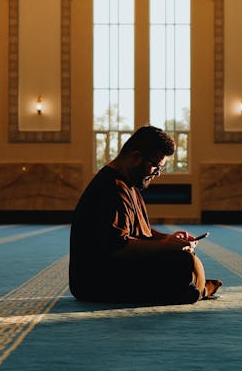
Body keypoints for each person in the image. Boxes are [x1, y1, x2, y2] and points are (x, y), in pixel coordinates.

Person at [69, 125, 222, 304]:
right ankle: (197, 289)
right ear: (136, 157)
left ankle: (195, 288)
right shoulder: (111, 189)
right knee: (181, 262)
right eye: (156, 167)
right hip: (95, 283)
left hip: (113, 272)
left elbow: (141, 231)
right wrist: (166, 245)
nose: (156, 174)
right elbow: (119, 248)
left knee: (181, 260)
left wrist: (170, 239)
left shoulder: (129, 185)